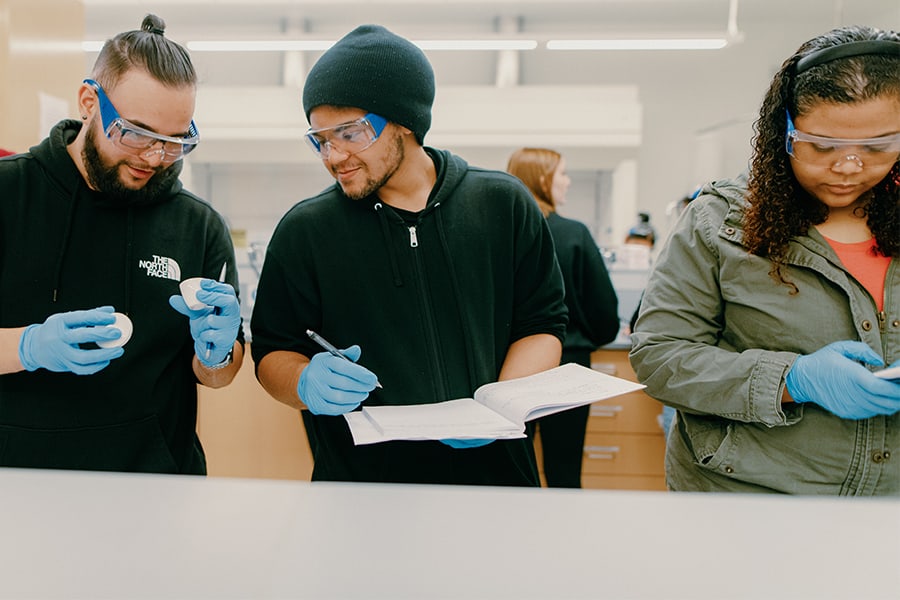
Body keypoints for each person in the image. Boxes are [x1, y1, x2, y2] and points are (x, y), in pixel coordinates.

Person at [250, 24, 568, 486]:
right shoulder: (306, 230)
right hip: (360, 490)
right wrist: (304, 381)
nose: (333, 155)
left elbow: (542, 326)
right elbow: (272, 351)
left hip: (498, 482)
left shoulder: (502, 204)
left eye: (350, 132)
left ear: (405, 121)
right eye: (320, 138)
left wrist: (496, 405)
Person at [629, 25, 900, 495]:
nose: (848, 167)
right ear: (786, 132)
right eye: (822, 146)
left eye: (877, 147)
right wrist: (792, 379)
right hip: (748, 501)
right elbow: (660, 356)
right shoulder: (721, 220)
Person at [0, 14, 244, 474]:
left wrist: (218, 353)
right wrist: (28, 346)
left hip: (154, 485)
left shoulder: (198, 224)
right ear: (89, 102)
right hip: (16, 481)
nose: (154, 157)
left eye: (174, 142)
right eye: (135, 134)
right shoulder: (9, 195)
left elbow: (218, 373)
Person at [506, 147, 619, 487]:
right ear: (543, 180)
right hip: (568, 366)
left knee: (510, 469)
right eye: (563, 174)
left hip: (507, 369)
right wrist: (585, 337)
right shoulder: (573, 234)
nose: (568, 182)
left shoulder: (499, 232)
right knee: (564, 472)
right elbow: (604, 316)